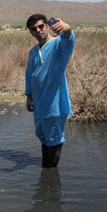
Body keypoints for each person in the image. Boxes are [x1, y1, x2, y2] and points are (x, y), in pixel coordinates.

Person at [24, 14, 75, 168]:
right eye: (34, 29)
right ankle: (46, 169)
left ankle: (51, 174)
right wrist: (29, 96)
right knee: (43, 136)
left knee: (54, 137)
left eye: (40, 26)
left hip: (55, 103)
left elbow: (68, 39)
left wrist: (68, 30)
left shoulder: (59, 45)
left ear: (47, 26)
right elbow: (29, 75)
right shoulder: (33, 51)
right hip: (39, 102)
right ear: (31, 32)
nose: (38, 30)